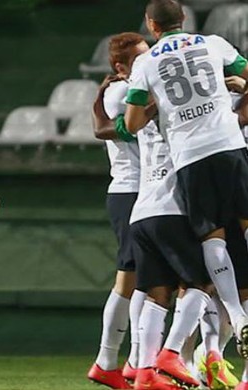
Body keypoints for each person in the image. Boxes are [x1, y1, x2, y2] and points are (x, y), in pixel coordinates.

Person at [124, 0, 248, 358]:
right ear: (183, 19)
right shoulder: (213, 43)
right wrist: (238, 83)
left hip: (190, 158)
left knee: (212, 236)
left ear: (151, 24)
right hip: (228, 144)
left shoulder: (145, 63)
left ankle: (238, 318)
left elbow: (131, 124)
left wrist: (159, 103)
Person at [86, 32, 147, 390]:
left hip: (136, 190)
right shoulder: (124, 92)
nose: (148, 64)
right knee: (136, 279)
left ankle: (117, 362)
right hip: (134, 190)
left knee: (135, 278)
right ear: (120, 68)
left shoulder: (116, 90)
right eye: (138, 61)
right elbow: (113, 129)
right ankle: (124, 362)